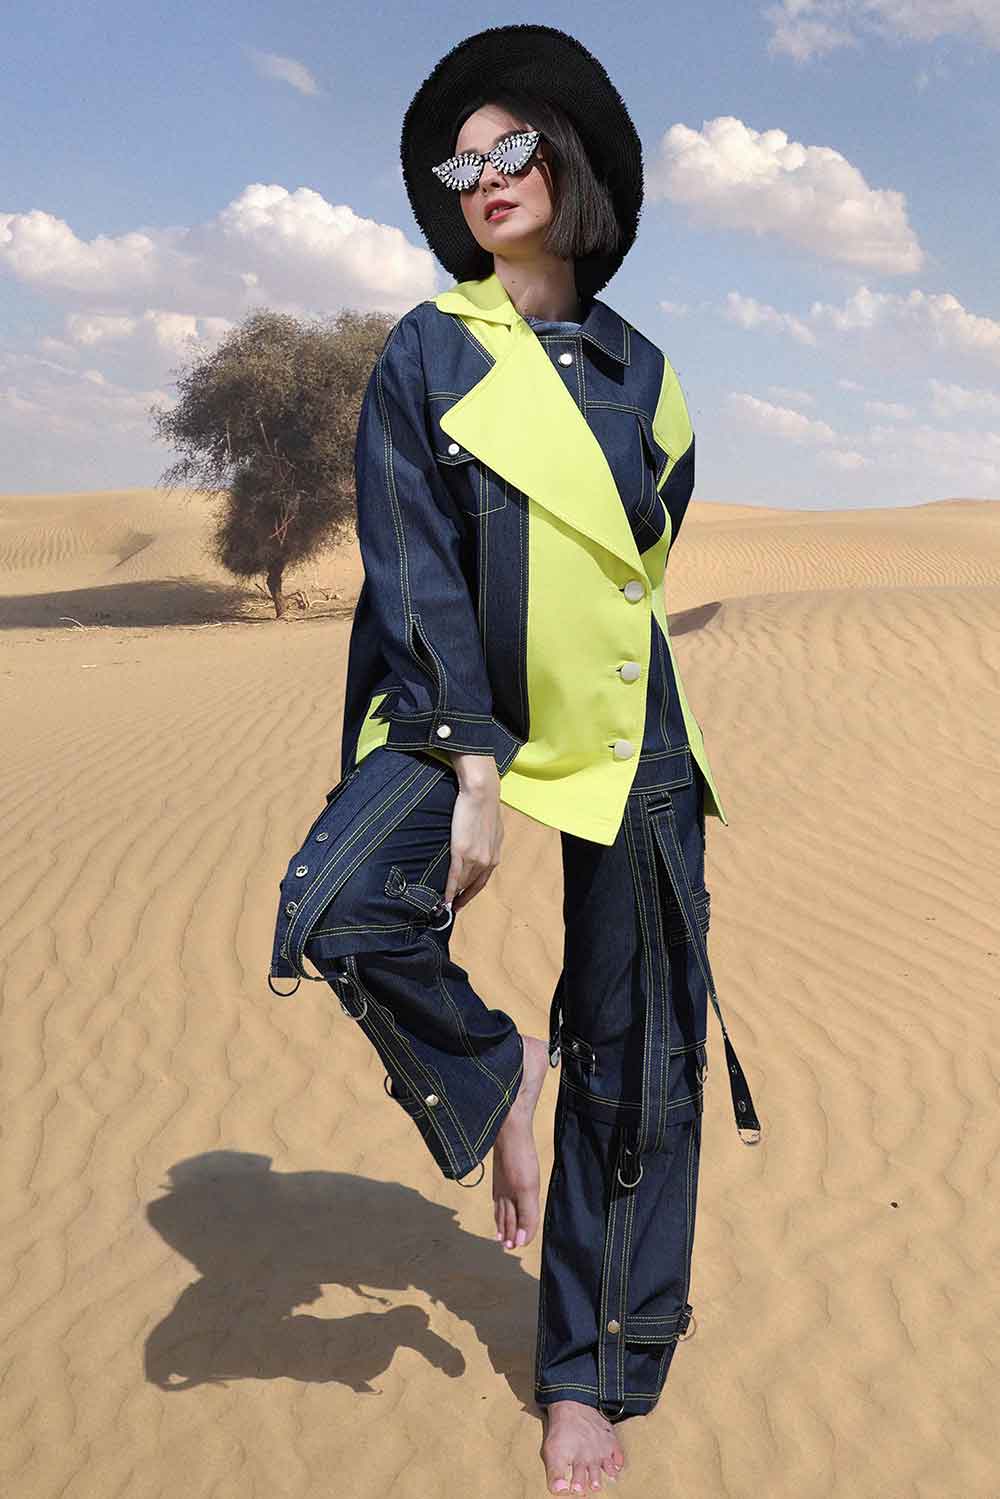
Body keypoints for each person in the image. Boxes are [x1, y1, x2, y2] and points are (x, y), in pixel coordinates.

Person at [269, 24, 761, 1495]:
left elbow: (641, 565)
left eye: (511, 149)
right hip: (455, 709)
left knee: (641, 1054)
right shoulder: (429, 347)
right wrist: (474, 761)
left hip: (623, 724)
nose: (483, 176)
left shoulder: (646, 374)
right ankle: (496, 1072)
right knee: (339, 911)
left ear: (570, 160)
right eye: (460, 164)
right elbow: (410, 563)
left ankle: (590, 1373)